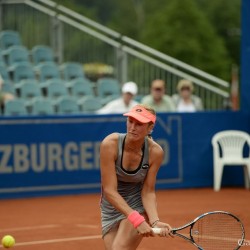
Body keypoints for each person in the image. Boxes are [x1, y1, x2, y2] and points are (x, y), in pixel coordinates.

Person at [99, 104, 172, 250]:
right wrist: (136, 219)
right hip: (110, 207)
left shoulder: (155, 152)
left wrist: (154, 220)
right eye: (130, 121)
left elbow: (148, 191)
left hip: (137, 204)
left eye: (139, 124)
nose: (132, 127)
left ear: (150, 128)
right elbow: (109, 190)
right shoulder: (110, 144)